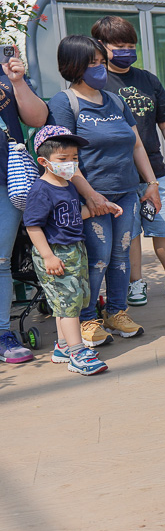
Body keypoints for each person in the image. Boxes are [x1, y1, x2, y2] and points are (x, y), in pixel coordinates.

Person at [47, 35, 162, 347]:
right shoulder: (64, 103)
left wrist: (151, 184)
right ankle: (87, 319)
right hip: (91, 197)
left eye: (101, 62)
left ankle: (117, 312)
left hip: (126, 192)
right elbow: (64, 159)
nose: (100, 69)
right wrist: (91, 196)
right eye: (92, 63)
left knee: (121, 254)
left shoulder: (115, 100)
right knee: (96, 258)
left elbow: (136, 143)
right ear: (74, 66)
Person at [91, 15, 165, 306]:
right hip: (116, 175)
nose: (127, 50)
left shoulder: (148, 80)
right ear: (101, 46)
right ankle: (135, 282)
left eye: (131, 45)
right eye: (119, 45)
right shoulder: (96, 83)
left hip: (153, 170)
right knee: (129, 233)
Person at [23, 126, 124, 375]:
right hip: (56, 253)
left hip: (75, 250)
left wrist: (102, 207)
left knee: (70, 302)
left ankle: (63, 346)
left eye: (75, 159)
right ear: (44, 162)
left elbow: (73, 216)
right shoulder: (41, 190)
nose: (70, 164)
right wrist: (48, 256)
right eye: (63, 159)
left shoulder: (67, 185)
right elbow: (32, 226)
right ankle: (78, 354)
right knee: (68, 304)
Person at [0, 44, 47, 363]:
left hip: (7, 178)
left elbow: (37, 118)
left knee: (1, 261)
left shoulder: (5, 72)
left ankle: (3, 331)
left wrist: (18, 82)